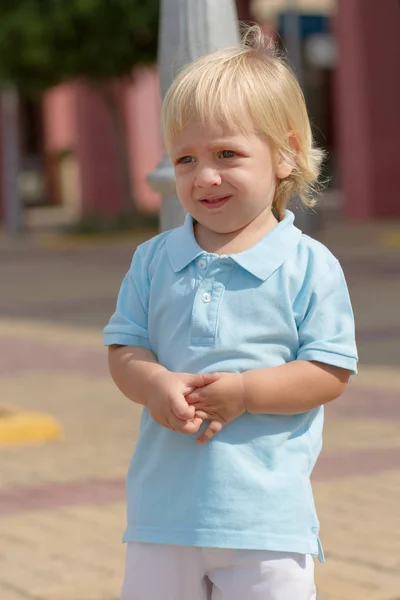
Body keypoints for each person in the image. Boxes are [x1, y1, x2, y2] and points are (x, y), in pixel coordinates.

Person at [103, 25, 357, 600]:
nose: (205, 176)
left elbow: (329, 372)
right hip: (162, 517)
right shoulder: (154, 260)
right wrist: (153, 382)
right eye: (186, 159)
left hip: (266, 519)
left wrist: (245, 391)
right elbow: (124, 349)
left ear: (286, 153)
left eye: (227, 155)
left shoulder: (309, 265)